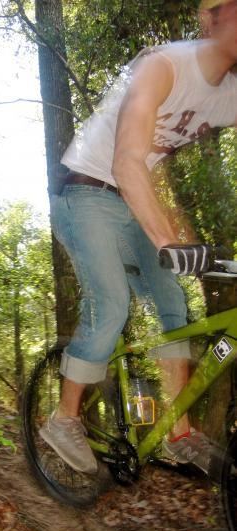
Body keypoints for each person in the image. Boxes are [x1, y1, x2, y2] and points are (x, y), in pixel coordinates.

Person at [40, 0, 237, 475]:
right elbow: (126, 161)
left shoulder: (230, 94)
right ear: (212, 18)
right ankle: (63, 419)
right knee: (111, 306)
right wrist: (170, 244)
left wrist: (178, 235)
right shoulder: (164, 66)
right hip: (85, 191)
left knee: (174, 309)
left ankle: (179, 432)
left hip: (132, 201)